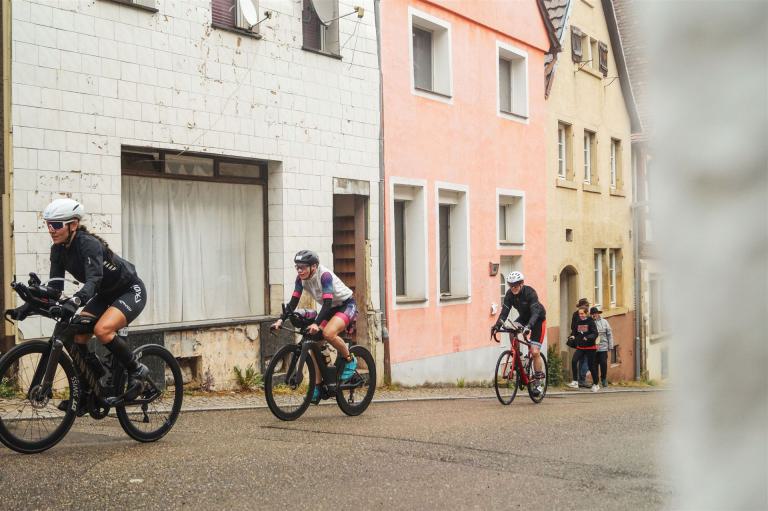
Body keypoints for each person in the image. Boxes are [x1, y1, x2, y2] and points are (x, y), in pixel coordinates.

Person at [41, 198, 149, 414]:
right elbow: (54, 288)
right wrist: (30, 303)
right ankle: (90, 387)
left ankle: (137, 369)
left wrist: (76, 300)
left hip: (129, 290)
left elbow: (94, 280)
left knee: (102, 330)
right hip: (105, 295)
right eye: (48, 224)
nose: (51, 230)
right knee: (78, 336)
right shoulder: (58, 250)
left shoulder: (88, 244)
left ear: (73, 225)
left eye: (56, 225)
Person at [271, 250, 358, 403]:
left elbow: (328, 303)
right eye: (297, 267)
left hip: (345, 305)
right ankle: (317, 386)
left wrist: (316, 323)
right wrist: (280, 320)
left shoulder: (324, 276)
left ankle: (350, 359)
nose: (299, 270)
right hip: (329, 309)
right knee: (313, 343)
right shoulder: (301, 279)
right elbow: (293, 303)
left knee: (329, 333)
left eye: (303, 267)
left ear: (314, 266)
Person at [493, 271, 547, 395]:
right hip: (523, 318)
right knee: (512, 330)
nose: (513, 288)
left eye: (516, 285)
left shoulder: (530, 292)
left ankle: (538, 382)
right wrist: (497, 325)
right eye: (511, 285)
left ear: (521, 284)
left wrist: (529, 326)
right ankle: (518, 357)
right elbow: (504, 312)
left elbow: (535, 312)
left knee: (535, 351)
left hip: (537, 320)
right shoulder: (509, 294)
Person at [566, 306, 600, 392]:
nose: (580, 315)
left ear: (586, 313)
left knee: (591, 366)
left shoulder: (590, 321)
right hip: (581, 347)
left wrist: (588, 337)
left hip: (590, 347)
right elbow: (575, 332)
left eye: (582, 313)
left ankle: (596, 384)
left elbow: (595, 333)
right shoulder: (578, 321)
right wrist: (573, 336)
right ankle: (575, 382)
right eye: (579, 314)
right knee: (574, 361)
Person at [591, 305, 613, 387]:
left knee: (603, 363)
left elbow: (609, 334)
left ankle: (603, 379)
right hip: (593, 348)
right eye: (592, 314)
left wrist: (610, 345)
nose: (594, 315)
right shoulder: (590, 322)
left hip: (603, 346)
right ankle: (595, 381)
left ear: (598, 314)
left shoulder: (604, 322)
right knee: (594, 365)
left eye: (595, 313)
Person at [571, 298, 591, 387]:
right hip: (583, 339)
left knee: (582, 359)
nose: (588, 307)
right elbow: (575, 327)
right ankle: (581, 379)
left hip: (580, 339)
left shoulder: (577, 314)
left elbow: (572, 327)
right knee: (585, 359)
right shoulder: (580, 314)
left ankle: (581, 380)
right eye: (587, 305)